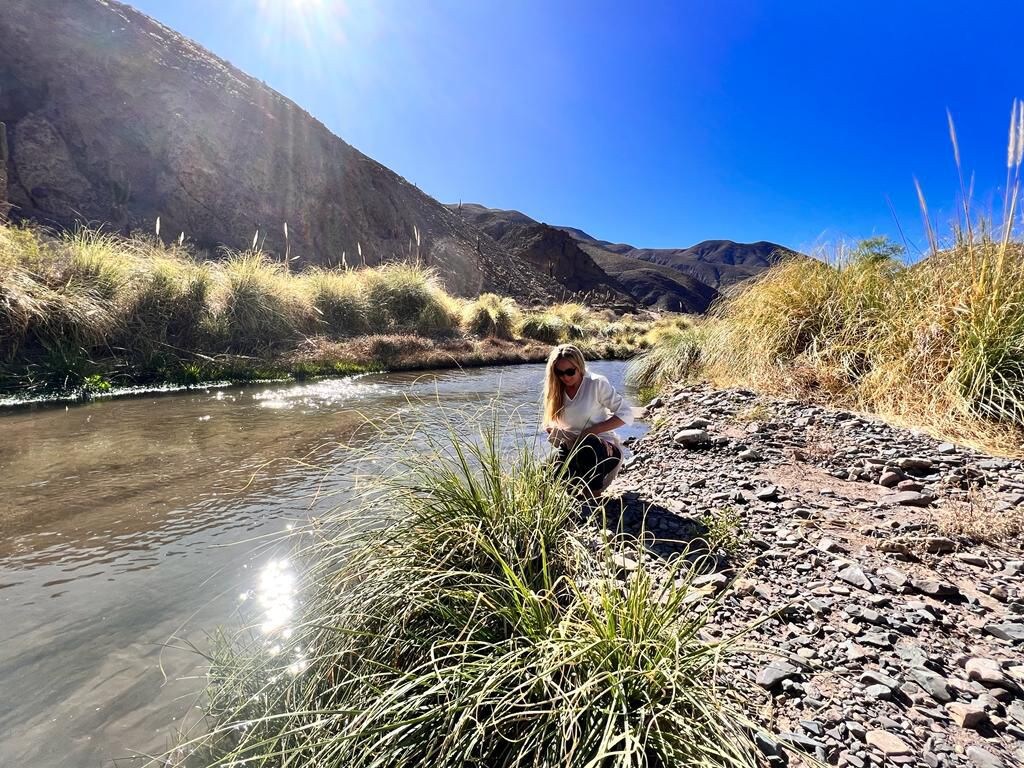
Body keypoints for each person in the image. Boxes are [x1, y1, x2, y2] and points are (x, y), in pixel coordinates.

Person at [542, 344, 634, 498]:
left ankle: (593, 496)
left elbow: (626, 414)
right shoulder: (556, 389)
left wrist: (591, 431)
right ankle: (572, 491)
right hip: (571, 449)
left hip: (602, 449)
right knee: (542, 475)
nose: (565, 377)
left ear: (580, 367)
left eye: (570, 371)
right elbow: (555, 425)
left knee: (588, 445)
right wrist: (553, 431)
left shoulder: (596, 383)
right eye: (559, 372)